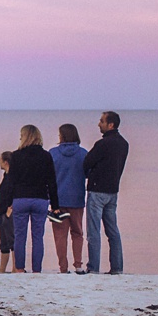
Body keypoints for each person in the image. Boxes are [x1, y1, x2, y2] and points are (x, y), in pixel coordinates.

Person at [6, 125, 61, 273]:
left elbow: (11, 181)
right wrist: (55, 205)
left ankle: (19, 268)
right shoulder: (46, 156)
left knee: (20, 236)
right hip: (40, 199)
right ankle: (37, 270)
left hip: (21, 198)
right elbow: (52, 182)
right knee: (38, 237)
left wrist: (8, 202)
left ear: (24, 137)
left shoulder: (15, 156)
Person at [83, 110, 129, 275]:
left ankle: (93, 267)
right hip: (112, 190)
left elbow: (87, 162)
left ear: (111, 124)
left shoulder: (103, 144)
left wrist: (90, 173)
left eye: (101, 121)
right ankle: (117, 268)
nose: (98, 124)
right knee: (113, 231)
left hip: (97, 190)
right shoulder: (124, 143)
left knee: (94, 231)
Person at [48, 124, 89, 274]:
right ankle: (78, 265)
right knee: (77, 233)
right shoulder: (83, 154)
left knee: (60, 236)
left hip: (58, 200)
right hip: (77, 199)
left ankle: (63, 268)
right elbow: (88, 173)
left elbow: (48, 177)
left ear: (62, 136)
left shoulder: (53, 153)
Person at [0, 151, 15, 273]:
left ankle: (15, 268)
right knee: (4, 243)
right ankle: (2, 269)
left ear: (6, 162)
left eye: (0, 160)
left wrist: (10, 209)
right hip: (1, 212)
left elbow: (13, 192)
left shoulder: (12, 177)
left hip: (7, 212)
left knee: (12, 240)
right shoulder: (6, 176)